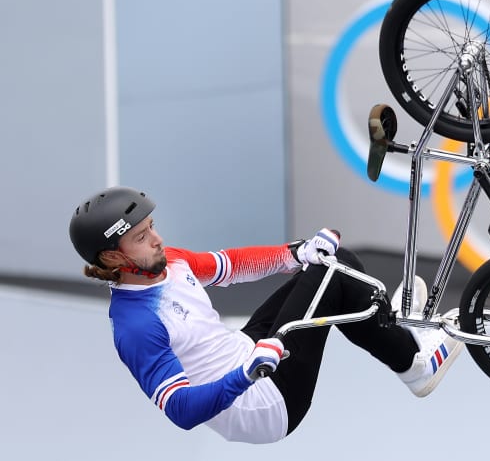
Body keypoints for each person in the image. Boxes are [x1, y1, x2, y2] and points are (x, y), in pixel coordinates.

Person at [68, 186, 463, 444]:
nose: (157, 239)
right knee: (336, 271)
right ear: (113, 257)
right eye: (141, 237)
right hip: (265, 403)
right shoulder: (135, 327)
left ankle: (391, 330)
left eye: (151, 226)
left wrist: (296, 253)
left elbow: (232, 265)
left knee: (328, 263)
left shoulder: (168, 261)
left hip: (245, 348)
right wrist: (245, 375)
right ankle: (414, 362)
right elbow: (181, 410)